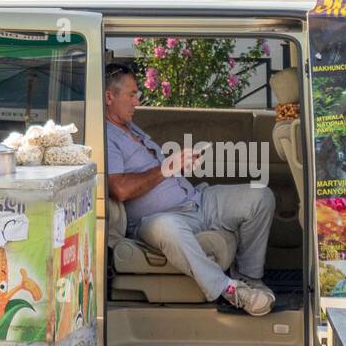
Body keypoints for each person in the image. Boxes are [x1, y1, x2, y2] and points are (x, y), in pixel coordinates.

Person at [104, 63, 276, 316]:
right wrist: (166, 168)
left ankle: (250, 278)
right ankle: (230, 290)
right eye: (131, 94)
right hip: (155, 220)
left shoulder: (131, 128)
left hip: (197, 200)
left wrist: (179, 168)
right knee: (167, 229)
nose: (137, 101)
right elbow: (119, 189)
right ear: (109, 97)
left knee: (261, 196)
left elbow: (157, 173)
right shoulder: (107, 136)